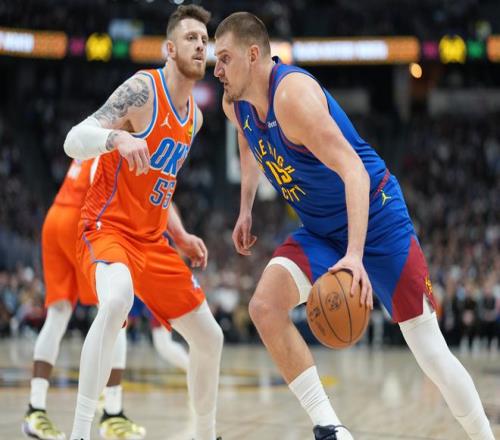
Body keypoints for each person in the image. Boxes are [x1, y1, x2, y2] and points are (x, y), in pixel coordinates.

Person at [214, 12, 494, 440]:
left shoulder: (293, 98)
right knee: (264, 307)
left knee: (430, 352)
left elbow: (355, 173)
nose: (216, 69)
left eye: (224, 58)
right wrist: (246, 207)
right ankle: (331, 429)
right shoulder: (235, 103)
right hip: (321, 229)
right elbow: (246, 138)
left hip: (376, 218)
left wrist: (355, 256)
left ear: (253, 55)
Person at [63, 5, 223, 440]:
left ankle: (206, 434)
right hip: (108, 229)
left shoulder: (195, 117)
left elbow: (161, 188)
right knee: (117, 299)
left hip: (153, 241)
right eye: (191, 38)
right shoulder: (141, 89)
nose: (200, 46)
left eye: (204, 40)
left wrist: (180, 234)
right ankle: (80, 433)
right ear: (169, 49)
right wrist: (116, 137)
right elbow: (73, 140)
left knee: (210, 338)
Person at [22, 159, 146, 440]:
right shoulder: (119, 141)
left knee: (57, 314)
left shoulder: (95, 137)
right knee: (115, 309)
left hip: (55, 217)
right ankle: (112, 412)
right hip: (80, 220)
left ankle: (35, 410)